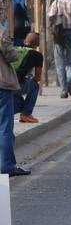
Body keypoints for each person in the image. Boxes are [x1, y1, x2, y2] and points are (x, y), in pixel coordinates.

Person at [0, 28, 27, 176]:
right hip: (2, 84)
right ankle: (7, 166)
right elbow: (10, 55)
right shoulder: (1, 32)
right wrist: (16, 51)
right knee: (4, 127)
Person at [12, 32, 43, 124]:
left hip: (6, 84)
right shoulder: (37, 55)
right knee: (35, 86)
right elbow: (38, 78)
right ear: (38, 44)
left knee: (19, 103)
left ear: (25, 41)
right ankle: (26, 114)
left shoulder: (15, 50)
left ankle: (7, 112)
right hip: (18, 85)